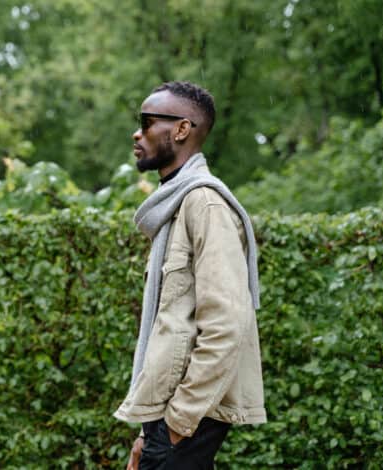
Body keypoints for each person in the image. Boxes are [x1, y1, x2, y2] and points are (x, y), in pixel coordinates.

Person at [114, 81, 266, 470]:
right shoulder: (176, 206)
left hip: (188, 418)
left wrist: (176, 425)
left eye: (147, 122)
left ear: (181, 129)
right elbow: (173, 327)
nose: (137, 133)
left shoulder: (205, 204)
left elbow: (226, 323)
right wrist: (150, 435)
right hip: (173, 420)